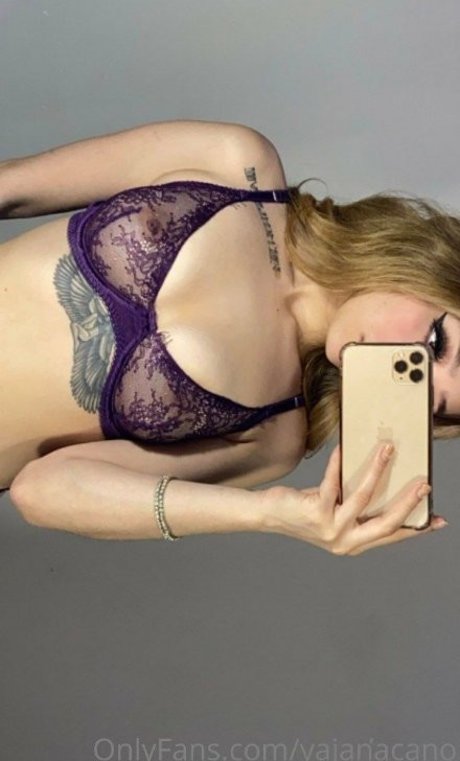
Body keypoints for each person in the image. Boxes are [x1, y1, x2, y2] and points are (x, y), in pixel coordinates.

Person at [0, 119, 454, 554]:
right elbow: (12, 185)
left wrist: (268, 513)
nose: (399, 366)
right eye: (435, 345)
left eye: (427, 400)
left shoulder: (274, 434)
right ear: (430, 269)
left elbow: (40, 491)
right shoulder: (238, 165)